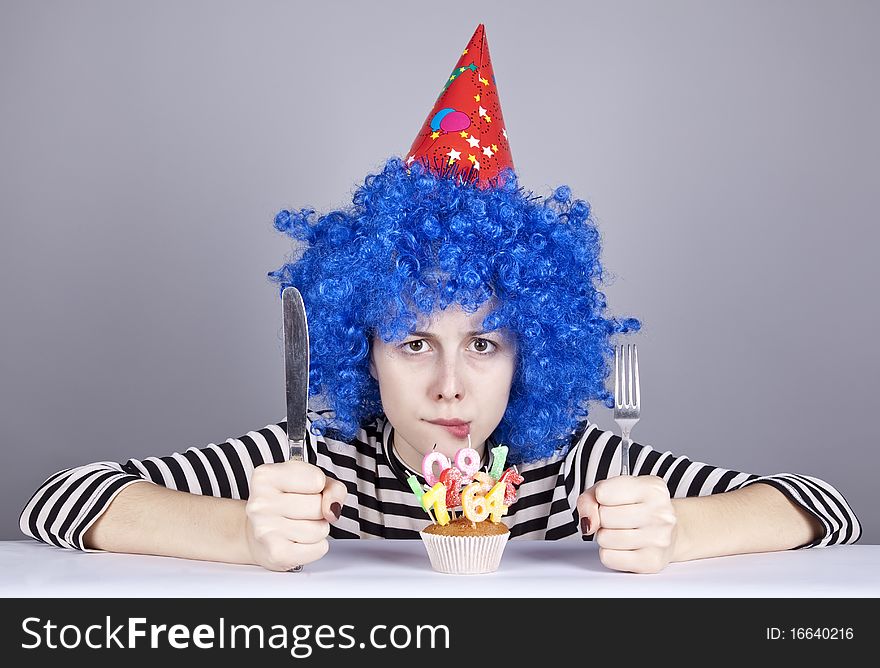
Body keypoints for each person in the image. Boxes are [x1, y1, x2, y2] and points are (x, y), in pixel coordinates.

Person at [19, 25, 861, 574]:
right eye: (415, 344)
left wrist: (678, 531)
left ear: (531, 350)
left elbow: (826, 509)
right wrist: (240, 533)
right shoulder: (316, 462)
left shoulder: (573, 469)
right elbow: (58, 499)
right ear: (364, 352)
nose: (451, 386)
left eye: (485, 345)